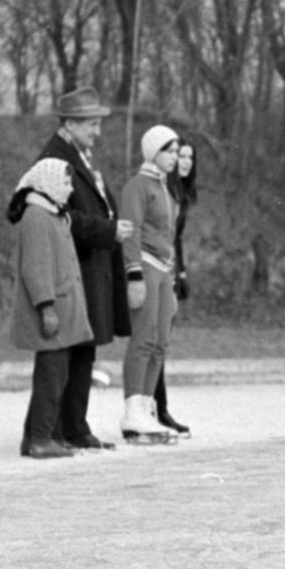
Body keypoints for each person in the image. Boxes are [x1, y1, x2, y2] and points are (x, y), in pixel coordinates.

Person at [35, 89, 132, 450]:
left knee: (84, 349)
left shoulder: (78, 156)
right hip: (75, 267)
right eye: (92, 124)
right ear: (71, 124)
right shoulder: (55, 158)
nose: (97, 131)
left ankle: (75, 426)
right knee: (73, 350)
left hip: (90, 266)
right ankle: (61, 428)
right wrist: (107, 230)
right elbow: (60, 215)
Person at [9, 158, 93, 459]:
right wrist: (46, 307)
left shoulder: (54, 215)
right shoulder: (36, 217)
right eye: (66, 183)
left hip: (64, 308)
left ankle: (37, 435)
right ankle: (41, 437)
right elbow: (35, 268)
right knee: (51, 376)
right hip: (51, 309)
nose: (70, 190)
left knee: (55, 374)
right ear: (48, 183)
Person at [119, 124, 182, 443]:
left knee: (160, 341)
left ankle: (146, 409)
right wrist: (134, 275)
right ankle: (132, 412)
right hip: (144, 264)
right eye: (168, 151)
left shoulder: (165, 187)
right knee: (144, 338)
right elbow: (130, 231)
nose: (174, 157)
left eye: (175, 152)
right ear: (153, 152)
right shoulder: (138, 186)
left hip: (164, 269)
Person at [152, 135, 197, 437]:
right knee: (154, 340)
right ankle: (154, 407)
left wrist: (180, 273)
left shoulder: (183, 192)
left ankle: (158, 406)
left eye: (190, 157)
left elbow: (176, 237)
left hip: (169, 267)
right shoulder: (164, 189)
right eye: (180, 155)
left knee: (162, 340)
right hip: (154, 267)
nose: (184, 161)